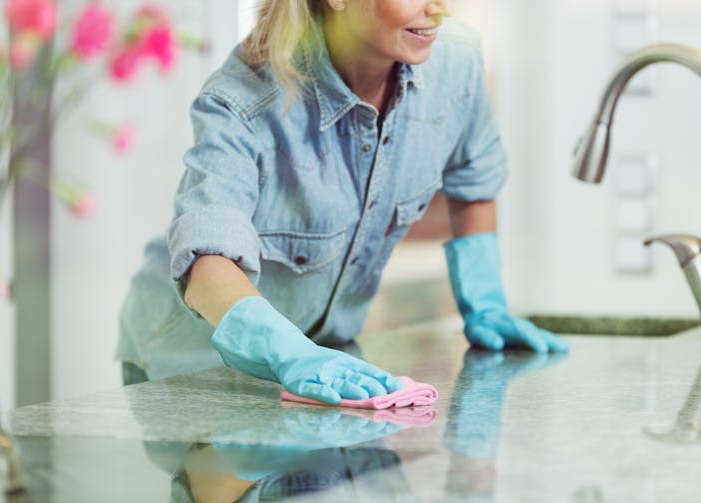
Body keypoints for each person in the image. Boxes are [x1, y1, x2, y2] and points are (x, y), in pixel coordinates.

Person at [117, 0, 569, 404]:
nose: (440, 7)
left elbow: (472, 182)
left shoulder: (455, 61)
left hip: (325, 359)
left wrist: (484, 302)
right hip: (191, 366)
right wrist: (287, 353)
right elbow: (206, 260)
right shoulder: (242, 101)